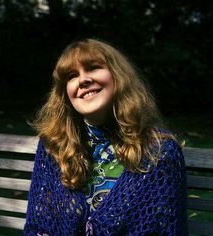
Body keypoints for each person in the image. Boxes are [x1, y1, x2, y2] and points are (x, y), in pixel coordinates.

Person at [24, 39, 187, 235]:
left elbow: (166, 230)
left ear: (119, 77)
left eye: (93, 68)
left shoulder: (159, 152)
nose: (83, 80)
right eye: (72, 76)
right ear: (64, 92)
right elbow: (39, 226)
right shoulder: (55, 146)